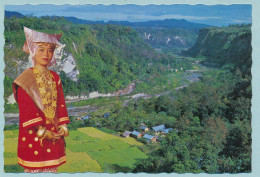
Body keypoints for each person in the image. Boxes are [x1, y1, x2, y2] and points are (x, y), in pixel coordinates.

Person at [12, 27, 70, 173]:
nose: (46, 54)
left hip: (53, 132)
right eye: (41, 49)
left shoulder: (55, 77)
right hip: (35, 133)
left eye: (50, 50)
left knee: (51, 169)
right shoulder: (25, 78)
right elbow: (27, 107)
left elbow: (60, 103)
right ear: (32, 51)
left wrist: (63, 125)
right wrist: (41, 130)